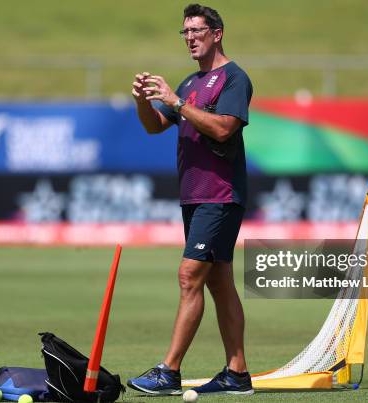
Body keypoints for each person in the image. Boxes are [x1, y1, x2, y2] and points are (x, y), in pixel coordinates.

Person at [127, 3, 254, 396]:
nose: (190, 38)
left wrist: (180, 104)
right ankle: (237, 374)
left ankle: (169, 370)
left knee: (188, 276)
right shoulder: (189, 83)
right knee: (219, 282)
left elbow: (224, 128)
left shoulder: (234, 79)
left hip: (220, 194)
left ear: (217, 33)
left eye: (197, 30)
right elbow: (155, 127)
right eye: (184, 32)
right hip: (195, 197)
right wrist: (143, 102)